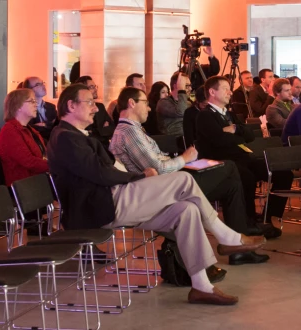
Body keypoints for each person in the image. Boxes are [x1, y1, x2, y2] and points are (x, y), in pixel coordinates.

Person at [47, 83, 265, 305]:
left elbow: (106, 170)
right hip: (98, 207)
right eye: (90, 102)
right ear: (71, 106)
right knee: (184, 179)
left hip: (109, 199)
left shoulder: (75, 135)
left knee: (186, 210)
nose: (95, 108)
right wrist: (140, 177)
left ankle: (201, 286)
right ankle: (227, 237)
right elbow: (101, 174)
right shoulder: (65, 137)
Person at [110, 86, 268, 265]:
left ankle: (237, 247)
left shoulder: (133, 129)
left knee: (231, 184)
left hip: (168, 181)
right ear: (132, 103)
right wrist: (184, 159)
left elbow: (158, 163)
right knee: (230, 167)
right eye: (145, 103)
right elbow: (157, 168)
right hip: (161, 189)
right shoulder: (128, 131)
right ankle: (232, 239)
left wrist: (183, 161)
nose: (149, 108)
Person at [196, 76, 291, 238]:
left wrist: (234, 130)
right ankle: (248, 220)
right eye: (225, 88)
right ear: (212, 92)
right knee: (246, 177)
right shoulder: (205, 116)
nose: (230, 92)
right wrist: (237, 133)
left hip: (243, 157)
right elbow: (219, 141)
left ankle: (268, 216)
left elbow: (249, 134)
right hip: (222, 161)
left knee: (284, 174)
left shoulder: (230, 114)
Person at [0, 88, 49, 186]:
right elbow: (29, 162)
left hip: (37, 180)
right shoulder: (10, 131)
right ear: (18, 106)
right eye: (31, 101)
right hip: (24, 186)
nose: (36, 104)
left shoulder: (29, 129)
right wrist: (56, 165)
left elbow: (42, 154)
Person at [76, 76, 115, 142]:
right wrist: (102, 130)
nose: (95, 89)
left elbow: (113, 128)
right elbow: (86, 135)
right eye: (92, 87)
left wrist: (95, 132)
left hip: (105, 148)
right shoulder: (79, 109)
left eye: (95, 86)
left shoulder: (100, 107)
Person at [156, 72, 191, 136]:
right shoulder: (163, 103)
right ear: (176, 86)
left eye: (190, 86)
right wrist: (182, 91)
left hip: (187, 139)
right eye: (186, 86)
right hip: (172, 141)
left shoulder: (188, 103)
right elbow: (181, 112)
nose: (190, 89)